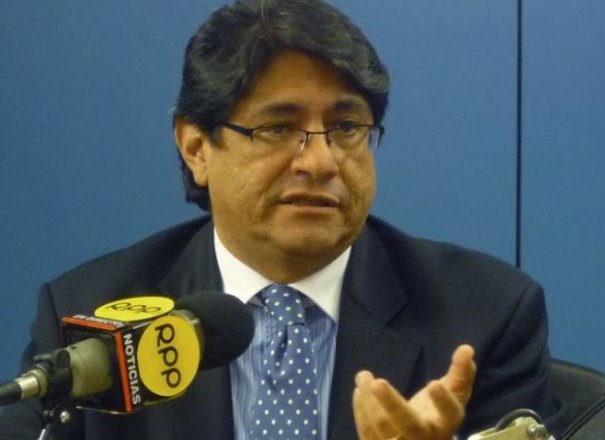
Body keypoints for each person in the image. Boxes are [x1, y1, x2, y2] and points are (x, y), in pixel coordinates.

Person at [0, 0, 565, 439]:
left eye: (347, 127)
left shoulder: (485, 314)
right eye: (277, 128)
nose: (320, 162)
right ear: (196, 147)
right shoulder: (91, 310)